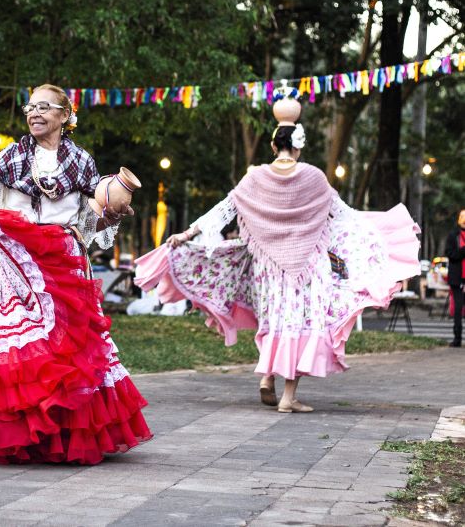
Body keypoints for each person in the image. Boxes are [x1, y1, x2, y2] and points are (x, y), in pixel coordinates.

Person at [135, 89, 421, 413]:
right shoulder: (314, 177)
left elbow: (224, 209)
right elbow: (343, 214)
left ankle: (267, 379)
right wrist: (383, 230)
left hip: (267, 265)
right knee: (297, 324)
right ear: (298, 145)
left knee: (274, 320)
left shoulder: (255, 177)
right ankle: (289, 396)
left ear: (273, 145)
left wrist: (187, 233)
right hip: (307, 266)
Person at [0, 84, 152, 464]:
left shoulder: (82, 162)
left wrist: (111, 214)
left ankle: (66, 432)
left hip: (65, 263)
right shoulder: (11, 157)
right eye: (30, 107)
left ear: (65, 116)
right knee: (23, 344)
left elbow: (91, 216)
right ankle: (19, 433)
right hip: (22, 263)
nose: (34, 113)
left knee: (69, 346)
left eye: (44, 107)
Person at [445, 208, 465, 347]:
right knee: (458, 309)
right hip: (457, 279)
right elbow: (451, 255)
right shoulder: (453, 236)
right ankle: (457, 338)